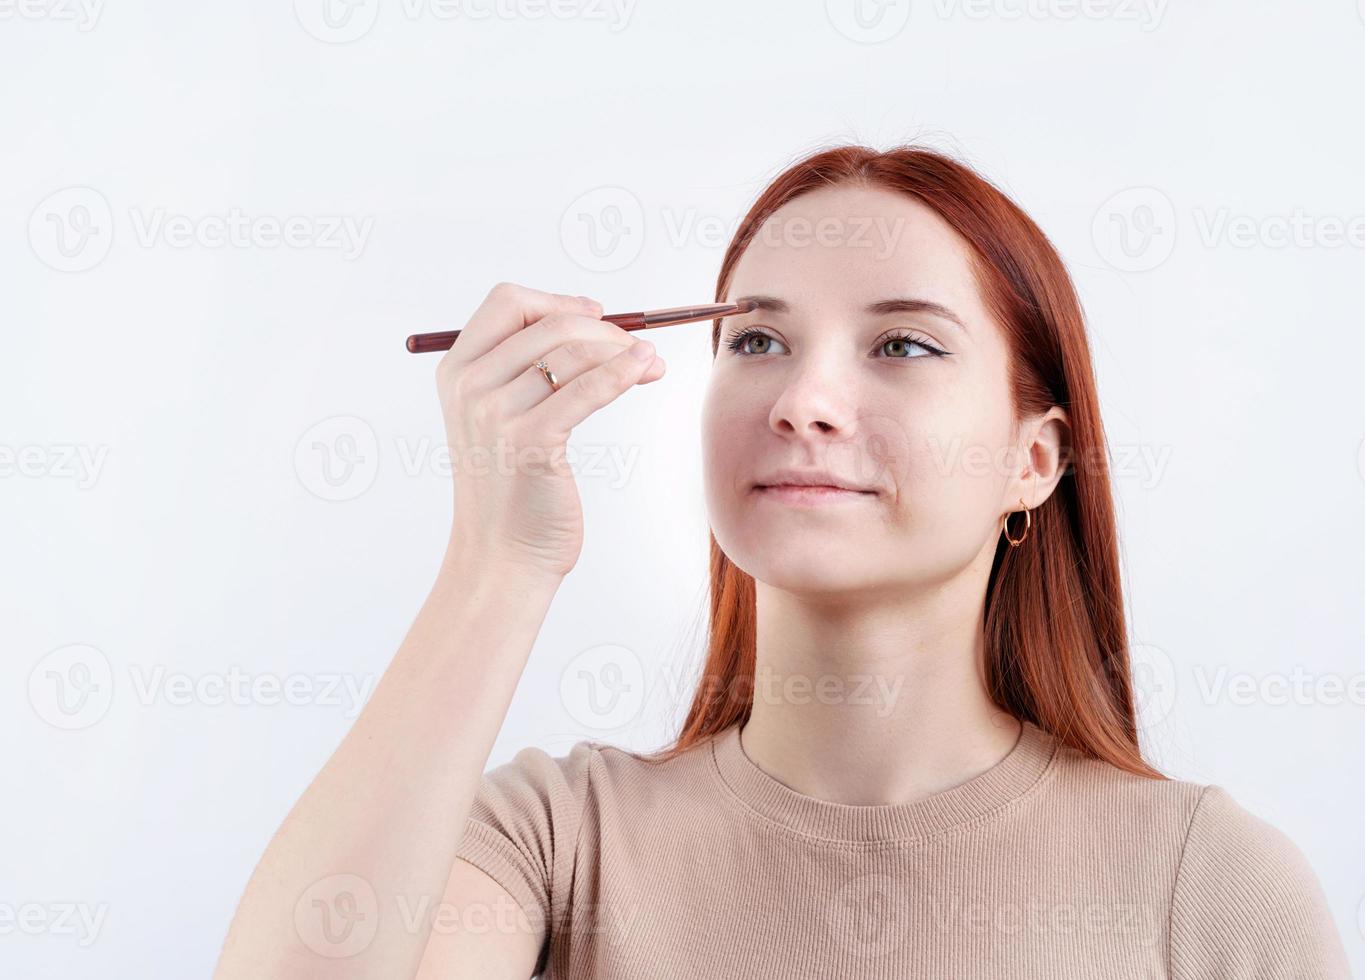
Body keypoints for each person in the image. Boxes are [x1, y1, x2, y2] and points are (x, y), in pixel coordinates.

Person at [213, 145, 1350, 979]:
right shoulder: (555, 843)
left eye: (901, 344)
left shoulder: (1210, 882)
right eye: (756, 339)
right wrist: (496, 562)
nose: (803, 400)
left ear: (1033, 458)